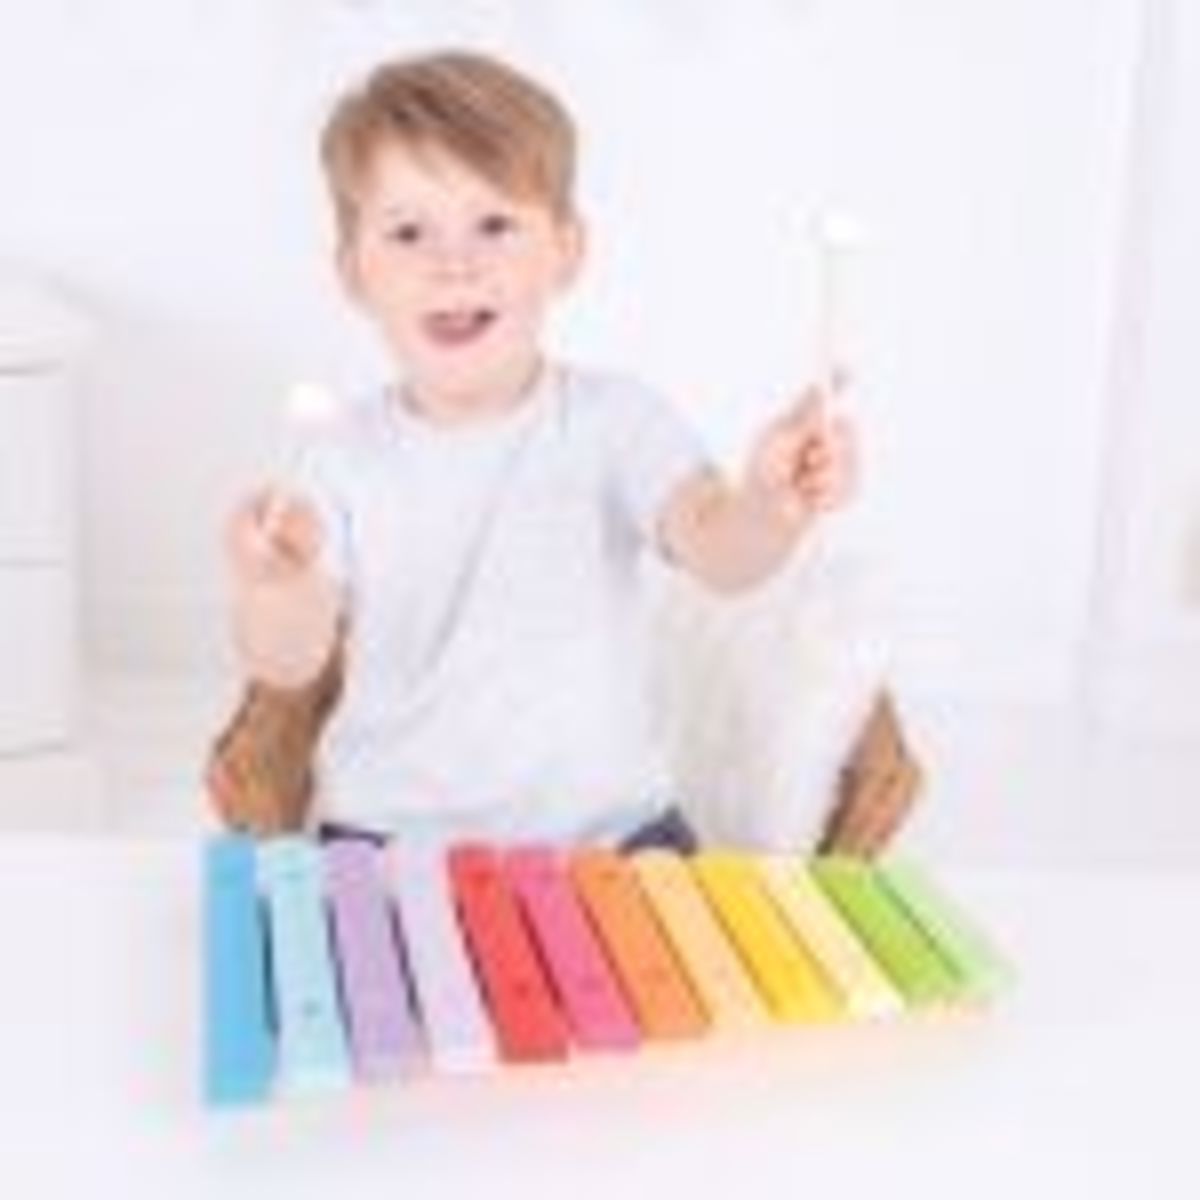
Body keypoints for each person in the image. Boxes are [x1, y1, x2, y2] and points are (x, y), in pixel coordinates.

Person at [206, 49, 867, 852]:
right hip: (389, 836)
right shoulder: (338, 457)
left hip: (614, 836)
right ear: (355, 274)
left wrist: (770, 503)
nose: (454, 263)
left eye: (495, 225)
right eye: (408, 232)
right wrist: (275, 584)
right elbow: (286, 664)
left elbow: (723, 556)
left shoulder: (618, 423)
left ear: (565, 250)